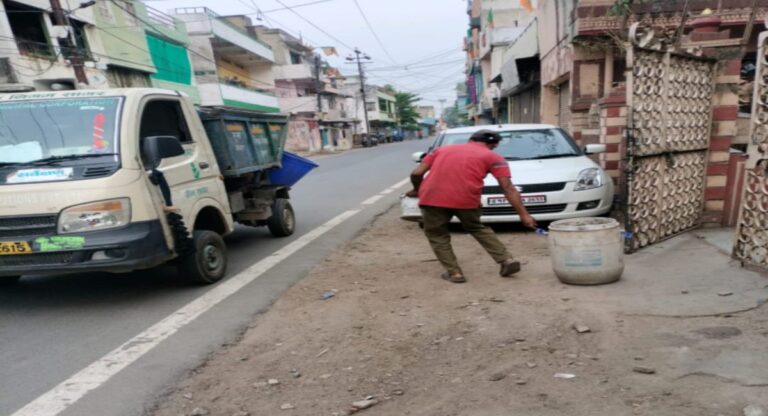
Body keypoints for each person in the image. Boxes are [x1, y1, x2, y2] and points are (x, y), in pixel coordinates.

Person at [406, 129, 537, 283]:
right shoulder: (494, 157)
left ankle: (455, 273)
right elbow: (508, 188)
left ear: (471, 139)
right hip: (466, 199)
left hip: (432, 198)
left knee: (437, 235)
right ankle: (505, 259)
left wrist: (417, 190)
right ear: (493, 145)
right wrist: (524, 214)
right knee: (477, 228)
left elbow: (416, 173)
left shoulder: (440, 150)